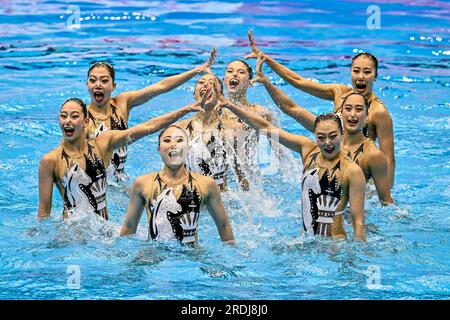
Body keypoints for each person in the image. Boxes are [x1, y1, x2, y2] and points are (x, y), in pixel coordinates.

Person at [214, 82, 366, 241]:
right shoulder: (307, 150)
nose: (327, 142)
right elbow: (265, 126)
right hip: (306, 239)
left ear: (342, 133)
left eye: (333, 136)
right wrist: (229, 105)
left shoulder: (352, 171)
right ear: (315, 136)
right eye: (321, 137)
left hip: (335, 245)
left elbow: (358, 222)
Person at [245, 31, 395, 187]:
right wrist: (265, 59)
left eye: (367, 72)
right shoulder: (339, 93)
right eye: (356, 71)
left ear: (375, 76)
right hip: (332, 165)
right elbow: (298, 82)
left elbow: (388, 160)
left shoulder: (379, 112)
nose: (361, 77)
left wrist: (384, 196)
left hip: (360, 178)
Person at [37, 98, 202, 220]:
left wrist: (186, 109)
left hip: (103, 230)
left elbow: (147, 127)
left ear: (86, 121)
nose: (68, 121)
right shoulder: (50, 161)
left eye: (74, 116)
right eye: (63, 116)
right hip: (71, 234)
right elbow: (44, 214)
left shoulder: (102, 145)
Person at [86, 49, 216, 180]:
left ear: (113, 86)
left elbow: (160, 87)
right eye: (93, 80)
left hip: (120, 177)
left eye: (104, 80)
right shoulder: (82, 118)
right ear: (87, 85)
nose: (98, 85)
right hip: (95, 181)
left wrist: (197, 71)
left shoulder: (122, 103)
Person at [120, 125, 235, 245]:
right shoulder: (143, 184)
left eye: (179, 140)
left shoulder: (206, 184)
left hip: (191, 258)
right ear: (159, 149)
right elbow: (129, 226)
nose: (173, 144)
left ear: (188, 148)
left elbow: (223, 225)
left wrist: (233, 257)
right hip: (154, 256)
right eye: (167, 140)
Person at [175, 73, 249, 191]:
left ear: (221, 96)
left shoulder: (234, 129)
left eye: (212, 83)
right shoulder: (178, 129)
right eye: (201, 82)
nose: (206, 85)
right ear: (194, 94)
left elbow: (241, 174)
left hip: (219, 199)